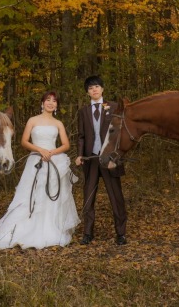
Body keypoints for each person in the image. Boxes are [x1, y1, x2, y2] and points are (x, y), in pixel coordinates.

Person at [0, 91, 79, 249]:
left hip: (53, 160)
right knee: (29, 195)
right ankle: (22, 228)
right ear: (42, 103)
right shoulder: (33, 120)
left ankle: (49, 229)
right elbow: (24, 141)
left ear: (57, 105)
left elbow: (66, 145)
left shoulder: (58, 123)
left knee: (51, 196)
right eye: (48, 100)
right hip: (35, 160)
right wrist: (40, 150)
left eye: (54, 101)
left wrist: (51, 152)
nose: (51, 103)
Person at [75, 75, 127, 245]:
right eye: (90, 88)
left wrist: (118, 153)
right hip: (91, 159)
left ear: (102, 89)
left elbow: (120, 132)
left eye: (97, 86)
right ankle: (88, 233)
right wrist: (79, 154)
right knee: (88, 196)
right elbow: (81, 136)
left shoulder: (113, 107)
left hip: (110, 158)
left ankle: (121, 233)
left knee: (115, 196)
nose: (94, 90)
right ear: (87, 92)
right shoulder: (83, 111)